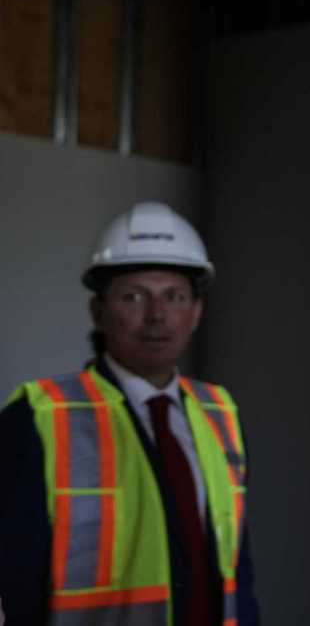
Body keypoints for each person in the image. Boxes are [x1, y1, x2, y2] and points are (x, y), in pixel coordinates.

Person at [0, 201, 259, 625]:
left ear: (195, 313)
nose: (156, 315)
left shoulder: (220, 413)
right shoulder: (40, 416)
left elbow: (237, 570)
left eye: (174, 296)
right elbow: (15, 580)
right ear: (99, 311)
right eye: (134, 296)